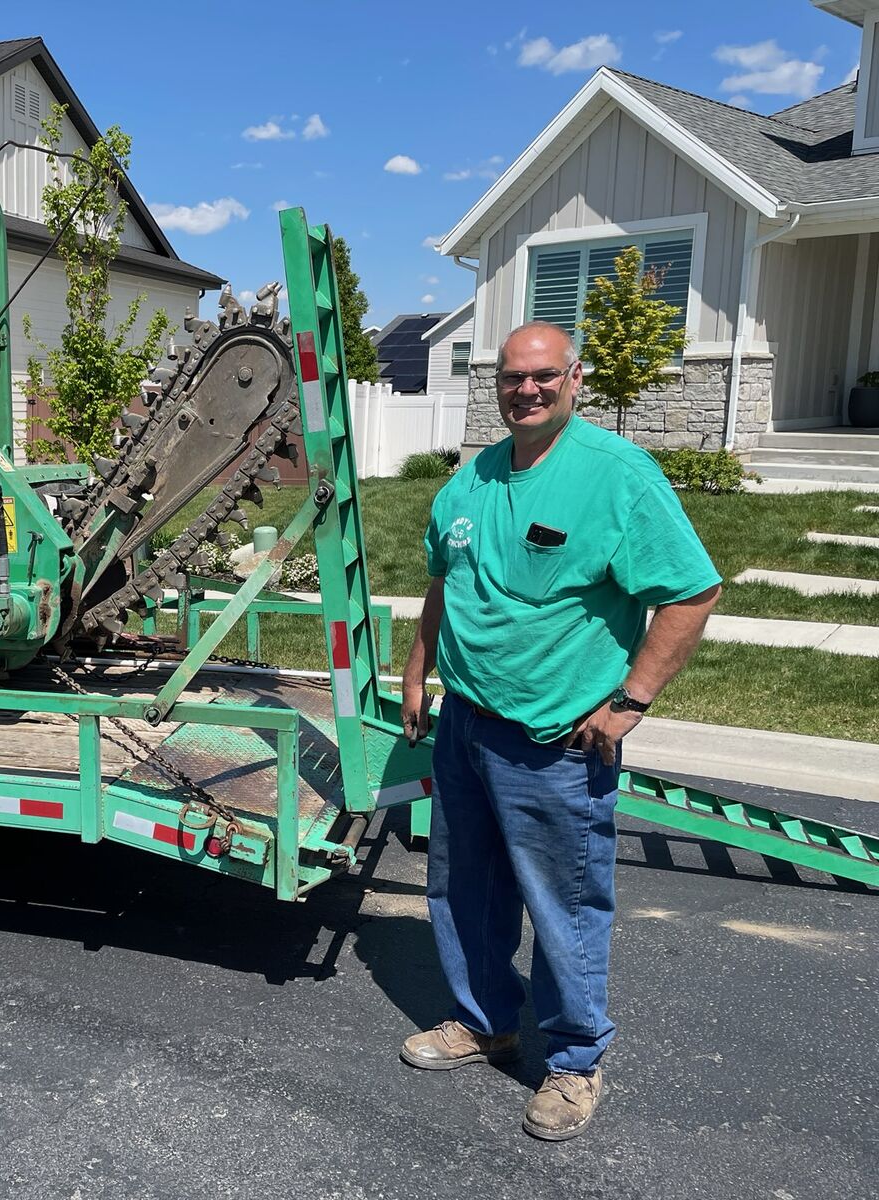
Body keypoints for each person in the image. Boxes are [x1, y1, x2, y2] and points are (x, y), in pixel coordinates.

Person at [397, 320, 721, 1141]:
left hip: (555, 743)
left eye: (543, 376)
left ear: (573, 379)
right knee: (463, 884)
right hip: (467, 725)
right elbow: (443, 584)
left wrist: (632, 699)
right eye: (512, 377)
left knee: (565, 903)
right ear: (495, 384)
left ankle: (574, 1062)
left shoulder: (616, 476)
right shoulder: (470, 483)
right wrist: (416, 673)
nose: (527, 390)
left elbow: (690, 592)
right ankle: (484, 1020)